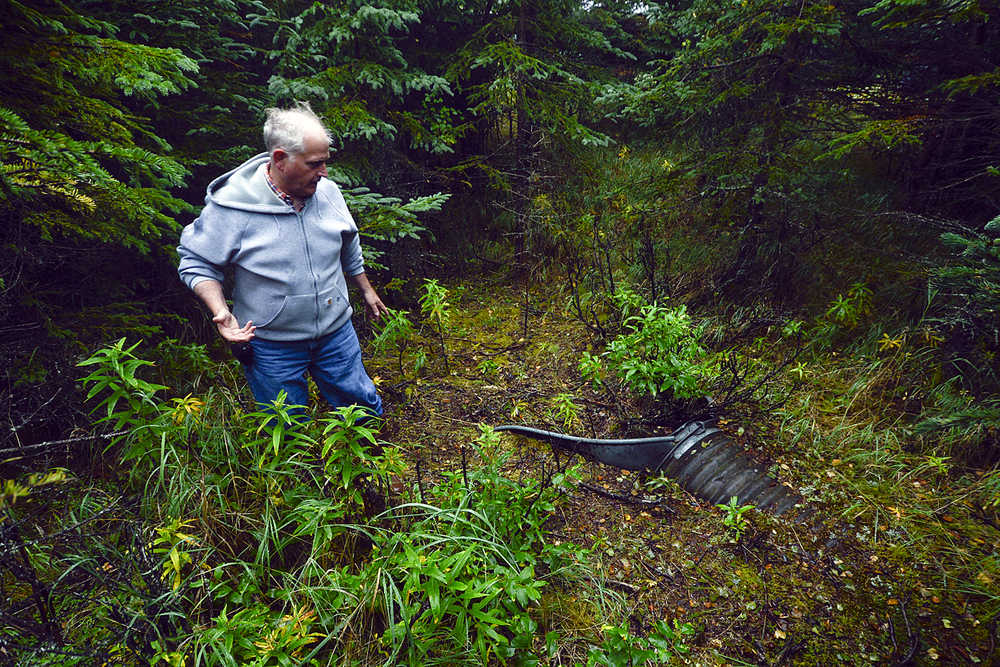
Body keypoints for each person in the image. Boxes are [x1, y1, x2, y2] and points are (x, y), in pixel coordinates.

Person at [177, 102, 387, 418]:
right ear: (280, 160)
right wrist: (221, 312)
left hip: (335, 332)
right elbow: (196, 261)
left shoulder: (327, 192)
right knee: (285, 426)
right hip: (271, 345)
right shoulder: (233, 208)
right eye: (315, 164)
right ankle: (302, 469)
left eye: (325, 162)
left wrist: (366, 290)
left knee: (362, 407)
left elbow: (348, 241)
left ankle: (371, 462)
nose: (325, 173)